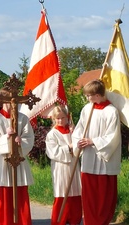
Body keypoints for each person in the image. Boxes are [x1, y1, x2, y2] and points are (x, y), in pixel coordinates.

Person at [72, 79, 121, 225]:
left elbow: (113, 136)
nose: (87, 98)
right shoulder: (87, 109)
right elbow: (79, 129)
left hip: (104, 161)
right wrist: (78, 141)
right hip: (88, 158)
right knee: (89, 195)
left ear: (98, 95)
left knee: (103, 196)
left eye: (89, 95)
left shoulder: (111, 111)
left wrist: (93, 141)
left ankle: (101, 221)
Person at [0, 88, 35, 225]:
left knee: (19, 196)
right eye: (8, 103)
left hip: (18, 162)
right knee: (3, 196)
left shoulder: (23, 119)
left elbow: (29, 138)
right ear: (2, 102)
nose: (12, 106)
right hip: (1, 163)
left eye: (15, 103)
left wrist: (21, 142)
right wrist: (6, 137)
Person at [45, 105, 82, 225]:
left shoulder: (73, 131)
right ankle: (59, 220)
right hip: (61, 167)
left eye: (63, 117)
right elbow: (53, 152)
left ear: (67, 117)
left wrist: (74, 133)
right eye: (58, 118)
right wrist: (69, 148)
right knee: (62, 193)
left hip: (73, 166)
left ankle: (74, 219)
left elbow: (79, 146)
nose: (60, 121)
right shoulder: (52, 134)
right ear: (54, 119)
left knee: (75, 192)